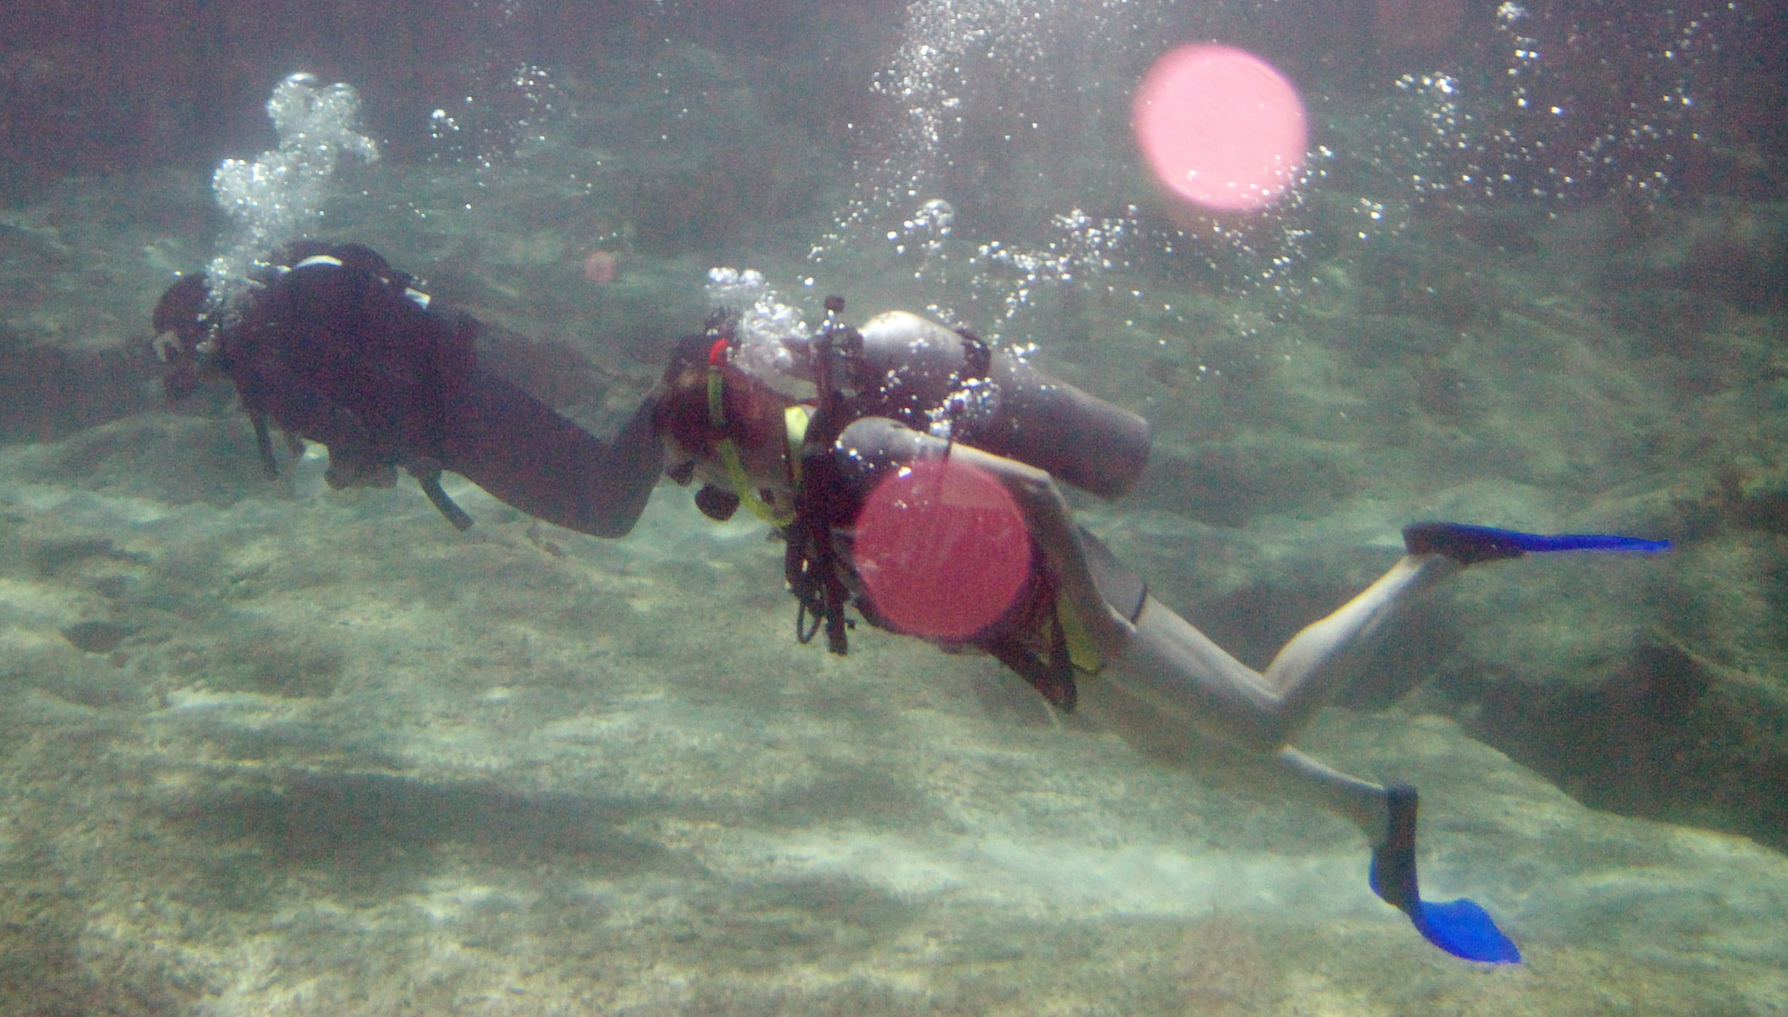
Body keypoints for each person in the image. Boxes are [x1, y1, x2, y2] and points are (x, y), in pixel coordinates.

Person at [617, 297, 1668, 964]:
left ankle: (1425, 561)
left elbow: (1032, 494)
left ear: (731, 438)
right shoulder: (807, 503)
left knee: (1258, 720)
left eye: (703, 473)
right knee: (1194, 760)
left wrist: (1082, 616)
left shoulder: (864, 447)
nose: (712, 495)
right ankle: (1377, 820)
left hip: (1087, 613)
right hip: (1039, 644)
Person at [153, 241, 663, 538]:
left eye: (172, 350)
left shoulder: (261, 369)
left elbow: (350, 434)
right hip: (462, 397)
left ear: (200, 329)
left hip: (458, 425)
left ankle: (690, 393)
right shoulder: (281, 329)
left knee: (607, 508)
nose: (183, 371)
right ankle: (688, 407)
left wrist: (350, 468)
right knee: (606, 489)